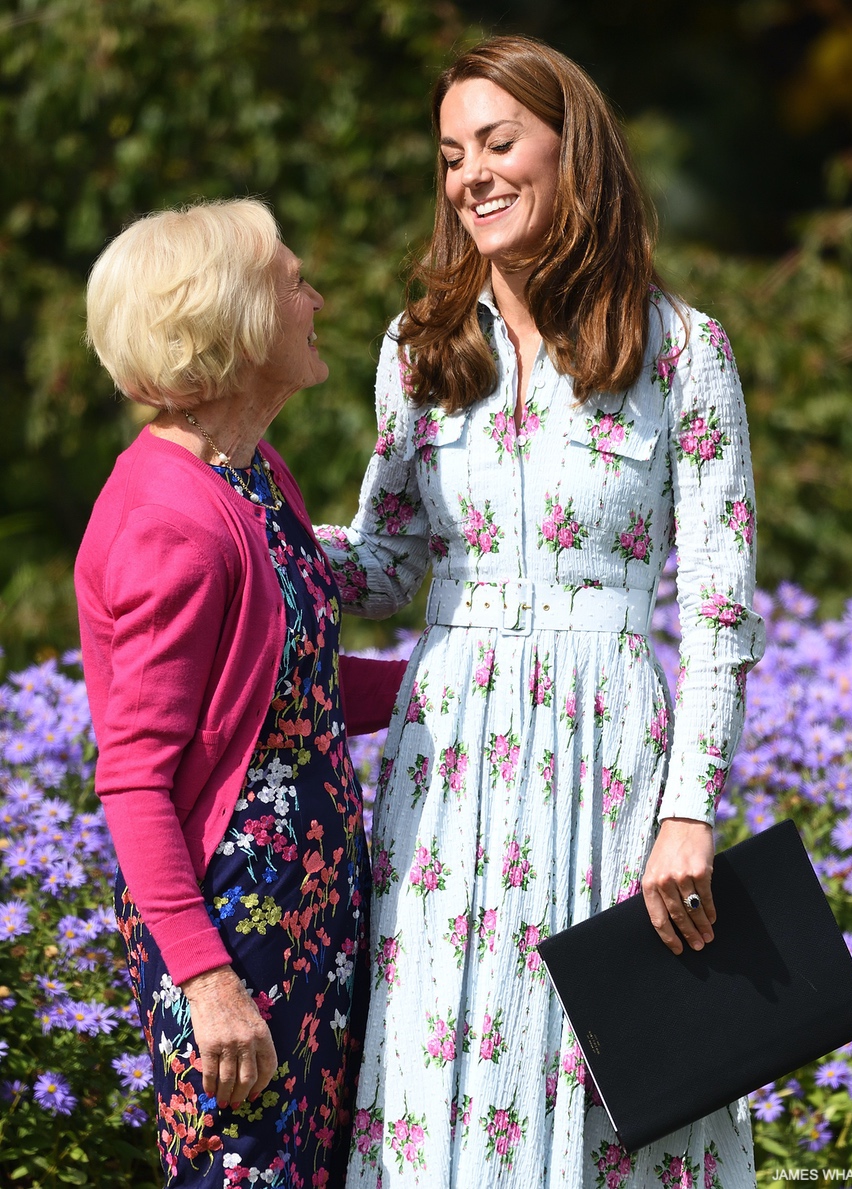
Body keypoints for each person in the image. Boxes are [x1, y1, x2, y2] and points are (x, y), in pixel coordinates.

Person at [316, 35, 766, 1188]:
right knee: (437, 1064)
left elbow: (721, 612)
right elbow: (379, 563)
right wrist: (235, 509)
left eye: (499, 143)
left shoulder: (682, 351)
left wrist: (689, 811)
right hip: (451, 763)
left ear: (576, 152)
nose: (470, 174)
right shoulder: (419, 350)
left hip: (609, 758)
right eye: (451, 154)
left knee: (612, 1078)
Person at [74, 199, 405, 1188]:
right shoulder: (172, 522)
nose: (316, 300)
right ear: (237, 320)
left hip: (305, 913)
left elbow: (289, 690)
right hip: (232, 932)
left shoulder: (253, 477)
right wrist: (208, 980)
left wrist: (458, 682)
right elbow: (134, 781)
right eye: (294, 284)